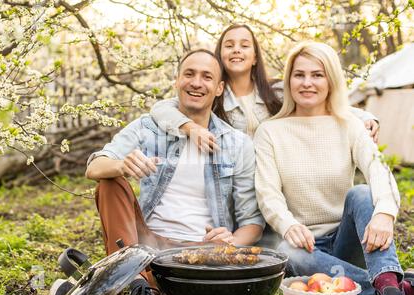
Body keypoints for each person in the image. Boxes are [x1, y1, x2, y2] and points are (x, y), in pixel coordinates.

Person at [149, 24, 380, 249]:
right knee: (273, 249)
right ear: (220, 56)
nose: (236, 50)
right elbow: (161, 109)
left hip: (274, 187)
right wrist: (191, 127)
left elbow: (323, 101)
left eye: (244, 45)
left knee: (283, 249)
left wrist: (365, 116)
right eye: (229, 45)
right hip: (237, 192)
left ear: (255, 57)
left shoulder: (276, 92)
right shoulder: (212, 95)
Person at [85, 49, 265, 295]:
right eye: (189, 74)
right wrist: (121, 165)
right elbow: (94, 167)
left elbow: (252, 221)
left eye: (206, 77)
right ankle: (136, 280)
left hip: (202, 248)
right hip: (145, 242)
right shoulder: (148, 127)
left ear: (219, 88)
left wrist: (231, 241)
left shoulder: (237, 144)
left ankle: (140, 282)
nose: (196, 83)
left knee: (212, 265)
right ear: (177, 81)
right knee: (109, 183)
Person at [253, 41, 413, 295]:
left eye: (317, 75)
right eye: (299, 75)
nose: (307, 83)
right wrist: (288, 224)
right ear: (289, 81)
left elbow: (377, 168)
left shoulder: (350, 125)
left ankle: (385, 280)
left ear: (331, 81)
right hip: (305, 246)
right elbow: (267, 192)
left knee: (361, 193)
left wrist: (385, 213)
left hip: (347, 239)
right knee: (287, 250)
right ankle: (392, 287)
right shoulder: (270, 132)